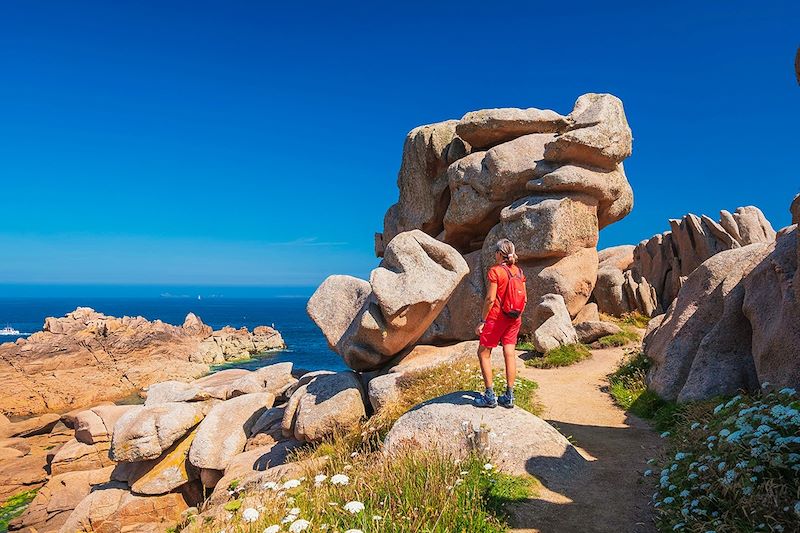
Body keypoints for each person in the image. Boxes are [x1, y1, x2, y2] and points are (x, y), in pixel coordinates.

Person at [474, 238, 527, 408]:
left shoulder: (495, 271)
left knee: (483, 352)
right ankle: (509, 396)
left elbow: (490, 299)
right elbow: (525, 299)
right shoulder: (518, 272)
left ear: (498, 254)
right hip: (514, 318)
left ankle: (490, 396)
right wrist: (516, 315)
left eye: (495, 252)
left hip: (497, 318)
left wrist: (483, 320)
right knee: (509, 353)